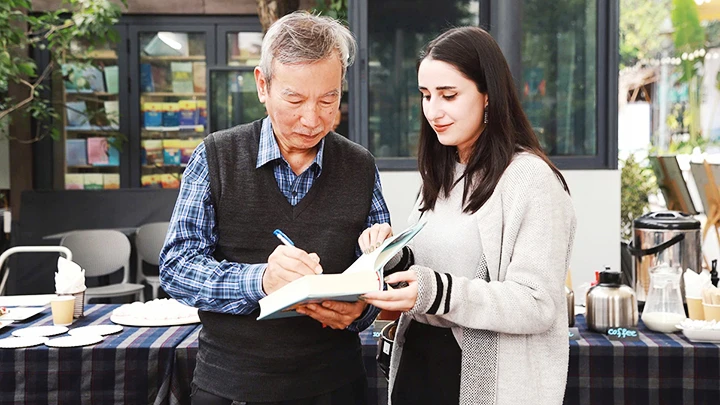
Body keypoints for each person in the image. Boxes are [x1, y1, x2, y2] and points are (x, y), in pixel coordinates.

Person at [159, 11, 389, 405]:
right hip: (233, 386)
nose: (312, 118)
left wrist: (362, 308)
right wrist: (262, 281)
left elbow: (381, 274)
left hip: (336, 385)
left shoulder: (360, 165)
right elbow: (177, 267)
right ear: (262, 85)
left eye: (328, 99)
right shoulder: (216, 156)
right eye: (295, 99)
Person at [360, 26, 576, 405]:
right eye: (426, 96)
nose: (433, 111)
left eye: (449, 95)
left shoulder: (531, 180)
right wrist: (389, 254)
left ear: (488, 94)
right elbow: (429, 265)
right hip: (418, 365)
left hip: (479, 378)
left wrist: (436, 292)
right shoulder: (443, 170)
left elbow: (538, 305)